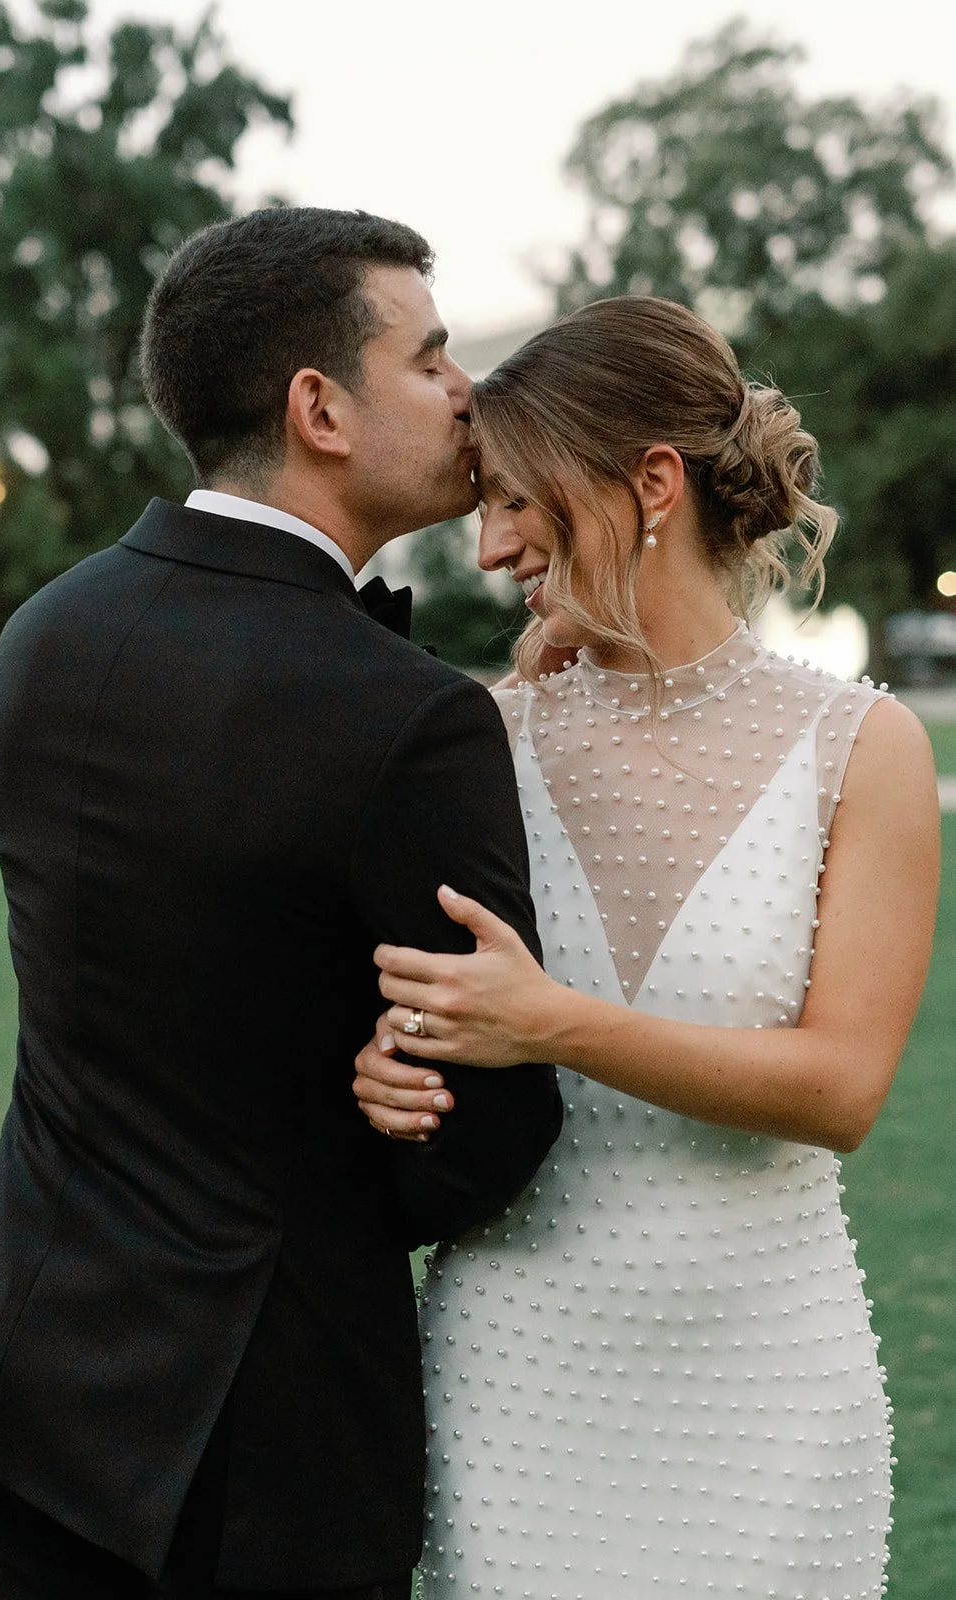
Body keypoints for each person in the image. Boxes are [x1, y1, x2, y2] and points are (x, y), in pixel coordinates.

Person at [0, 207, 563, 1600]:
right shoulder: (409, 717)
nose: (468, 393)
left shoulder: (46, 634)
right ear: (318, 407)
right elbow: (491, 1125)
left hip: (24, 1382)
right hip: (265, 1437)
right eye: (434, 358)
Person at [353, 295, 940, 1597]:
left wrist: (551, 1023)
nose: (493, 546)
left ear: (651, 483)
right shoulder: (476, 740)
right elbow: (404, 1025)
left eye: (515, 501)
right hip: (514, 1377)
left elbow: (839, 1090)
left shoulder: (860, 749)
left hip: (764, 1387)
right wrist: (385, 1082)